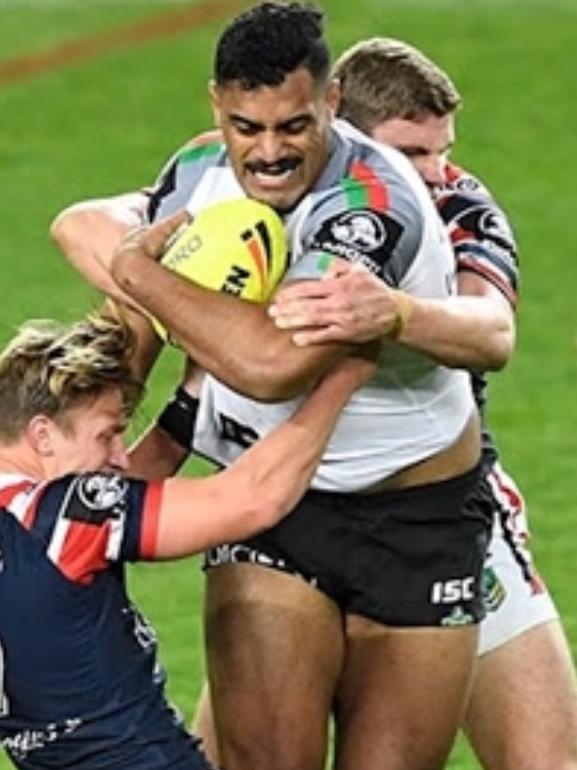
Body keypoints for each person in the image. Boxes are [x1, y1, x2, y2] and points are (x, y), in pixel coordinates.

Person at [51, 4, 492, 770]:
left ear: (329, 103)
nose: (268, 154)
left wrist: (138, 272)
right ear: (216, 105)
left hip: (420, 520)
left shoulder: (366, 206)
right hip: (272, 505)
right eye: (245, 127)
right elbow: (140, 304)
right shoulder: (195, 171)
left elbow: (269, 364)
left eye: (291, 126)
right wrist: (114, 427)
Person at [266, 37, 577, 770]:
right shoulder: (266, 199)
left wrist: (395, 313)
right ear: (339, 130)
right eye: (413, 154)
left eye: (442, 150)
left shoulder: (460, 203)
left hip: (439, 512)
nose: (438, 175)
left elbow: (491, 329)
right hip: (293, 512)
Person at [0, 213, 375, 770]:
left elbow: (136, 479)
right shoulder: (64, 516)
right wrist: (349, 370)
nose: (118, 457)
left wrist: (201, 375)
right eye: (106, 435)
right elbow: (254, 497)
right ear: (42, 436)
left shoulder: (33, 518)